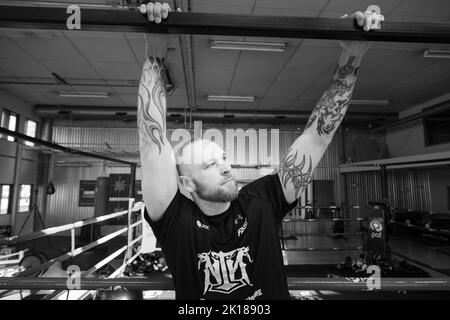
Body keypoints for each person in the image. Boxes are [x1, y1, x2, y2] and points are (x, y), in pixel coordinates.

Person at [137, 2, 384, 299]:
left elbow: (317, 137)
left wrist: (353, 56)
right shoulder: (175, 220)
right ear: (187, 183)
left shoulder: (262, 201)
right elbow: (152, 144)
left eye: (224, 159)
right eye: (210, 166)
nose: (227, 168)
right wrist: (156, 46)